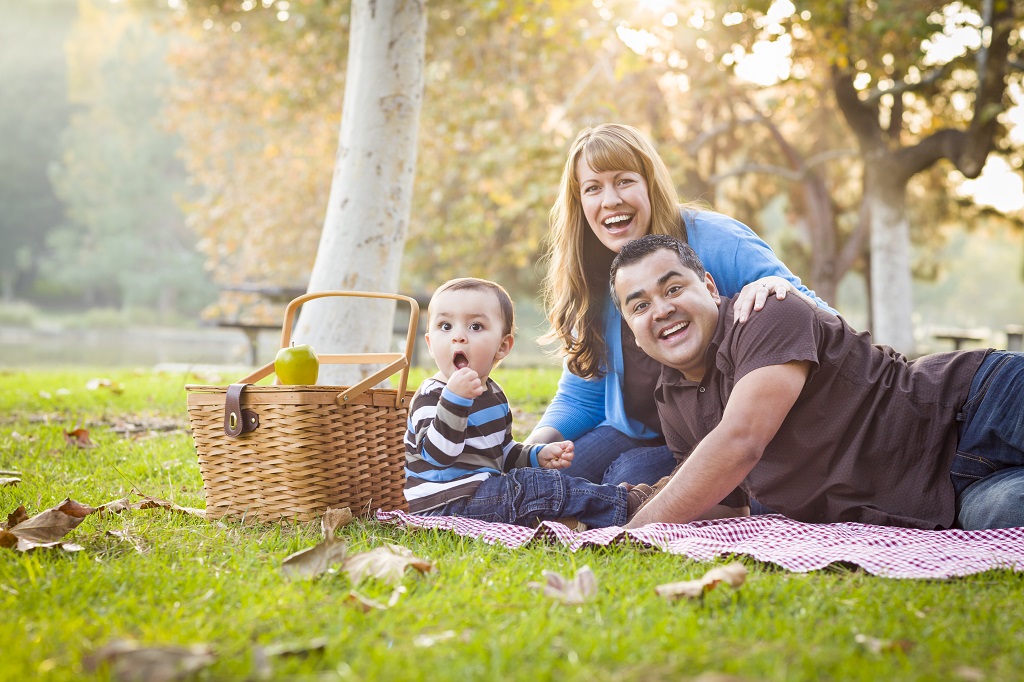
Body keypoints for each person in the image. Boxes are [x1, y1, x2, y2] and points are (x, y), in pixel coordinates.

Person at [610, 233, 1024, 530]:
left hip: (973, 405)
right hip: (945, 495)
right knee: (1010, 514)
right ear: (632, 330)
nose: (661, 310)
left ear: (711, 287)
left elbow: (740, 441)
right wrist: (625, 504)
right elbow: (723, 503)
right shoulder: (671, 398)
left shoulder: (766, 313)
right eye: (641, 305)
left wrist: (630, 535)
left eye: (674, 288)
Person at [526, 122, 836, 489]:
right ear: (581, 203)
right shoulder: (592, 274)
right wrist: (528, 450)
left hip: (723, 432)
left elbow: (824, 322)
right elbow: (583, 394)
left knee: (625, 476)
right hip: (638, 431)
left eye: (624, 181)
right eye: (593, 188)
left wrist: (779, 287)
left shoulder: (720, 242)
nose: (610, 200)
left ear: (649, 184)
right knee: (534, 480)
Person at [404, 277, 654, 528]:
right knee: (536, 488)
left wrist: (537, 455)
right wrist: (455, 399)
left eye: (476, 327)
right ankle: (626, 504)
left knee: (538, 481)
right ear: (430, 345)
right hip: (445, 505)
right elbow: (438, 456)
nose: (458, 337)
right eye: (445, 326)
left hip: (484, 495)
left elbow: (502, 452)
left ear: (502, 347)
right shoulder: (432, 396)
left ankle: (586, 515)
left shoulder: (493, 395)